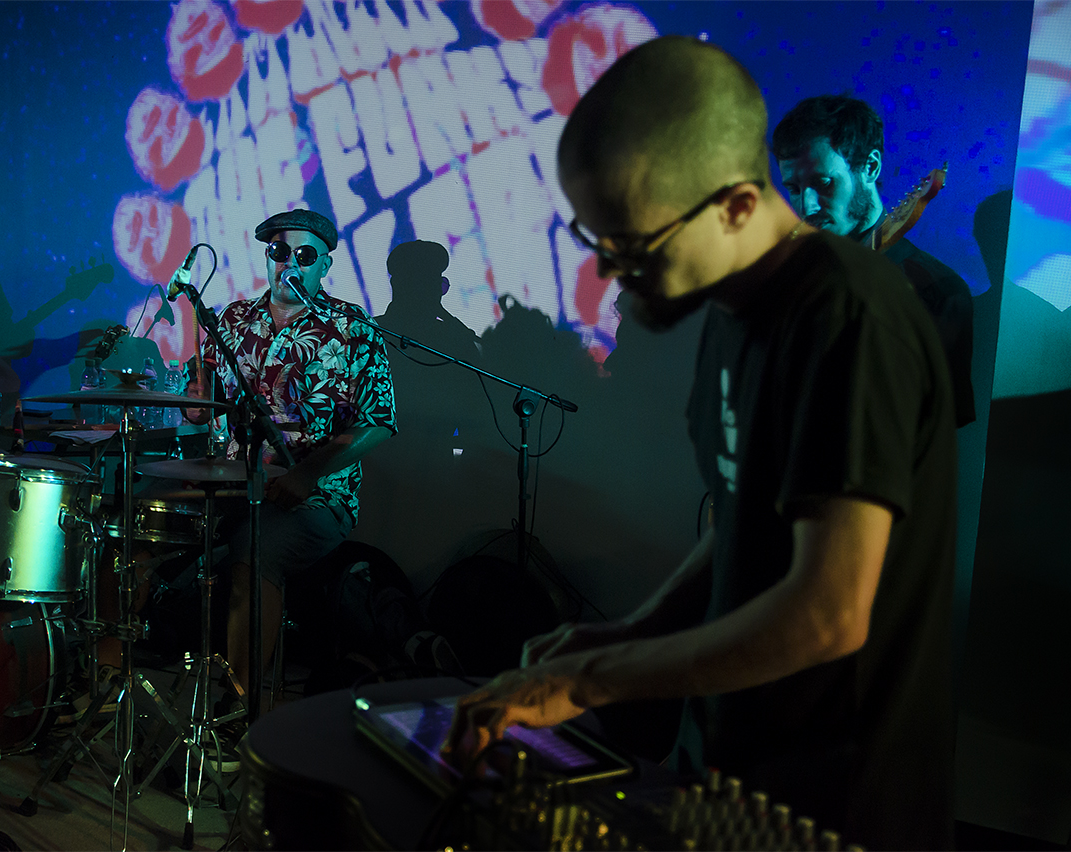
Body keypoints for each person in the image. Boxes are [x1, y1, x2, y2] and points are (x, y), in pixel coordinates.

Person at [443, 36, 957, 850]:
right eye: (597, 240)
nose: (614, 273)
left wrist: (593, 680)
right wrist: (622, 633)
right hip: (731, 762)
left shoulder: (848, 317)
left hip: (834, 798)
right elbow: (746, 515)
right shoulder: (733, 314)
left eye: (635, 242)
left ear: (738, 205)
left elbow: (828, 614)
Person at [183, 208, 396, 734]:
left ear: (324, 264)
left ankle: (239, 710)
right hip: (232, 482)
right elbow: (202, 403)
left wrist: (307, 474)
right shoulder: (233, 320)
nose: (290, 264)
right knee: (134, 519)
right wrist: (195, 398)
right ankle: (107, 679)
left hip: (315, 496)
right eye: (280, 252)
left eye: (304, 255)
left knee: (255, 551)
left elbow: (378, 422)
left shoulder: (352, 328)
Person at [772, 94, 976, 427]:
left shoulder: (936, 290)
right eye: (794, 188)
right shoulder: (788, 280)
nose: (807, 206)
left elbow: (935, 428)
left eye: (823, 183)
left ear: (870, 167)